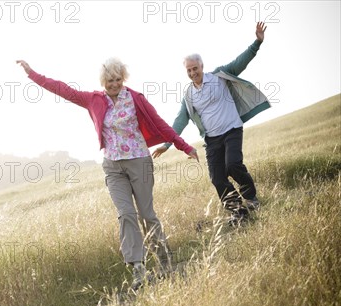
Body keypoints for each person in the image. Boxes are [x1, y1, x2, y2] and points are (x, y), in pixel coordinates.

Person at [16, 58, 199, 290]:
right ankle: (138, 270)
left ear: (123, 79)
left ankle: (164, 261)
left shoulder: (135, 99)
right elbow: (63, 89)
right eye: (110, 80)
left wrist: (184, 146)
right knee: (126, 214)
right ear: (103, 81)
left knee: (147, 214)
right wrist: (32, 74)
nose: (114, 84)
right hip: (113, 167)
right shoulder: (93, 100)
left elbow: (161, 124)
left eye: (118, 80)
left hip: (139, 162)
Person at [153, 22, 270, 226]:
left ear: (202, 66)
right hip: (212, 140)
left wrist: (257, 43)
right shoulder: (189, 95)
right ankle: (238, 212)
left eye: (195, 68)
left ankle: (251, 198)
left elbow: (240, 62)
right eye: (188, 70)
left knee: (232, 164)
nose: (192, 73)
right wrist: (167, 144)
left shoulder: (219, 76)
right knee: (217, 178)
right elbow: (180, 120)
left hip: (232, 129)